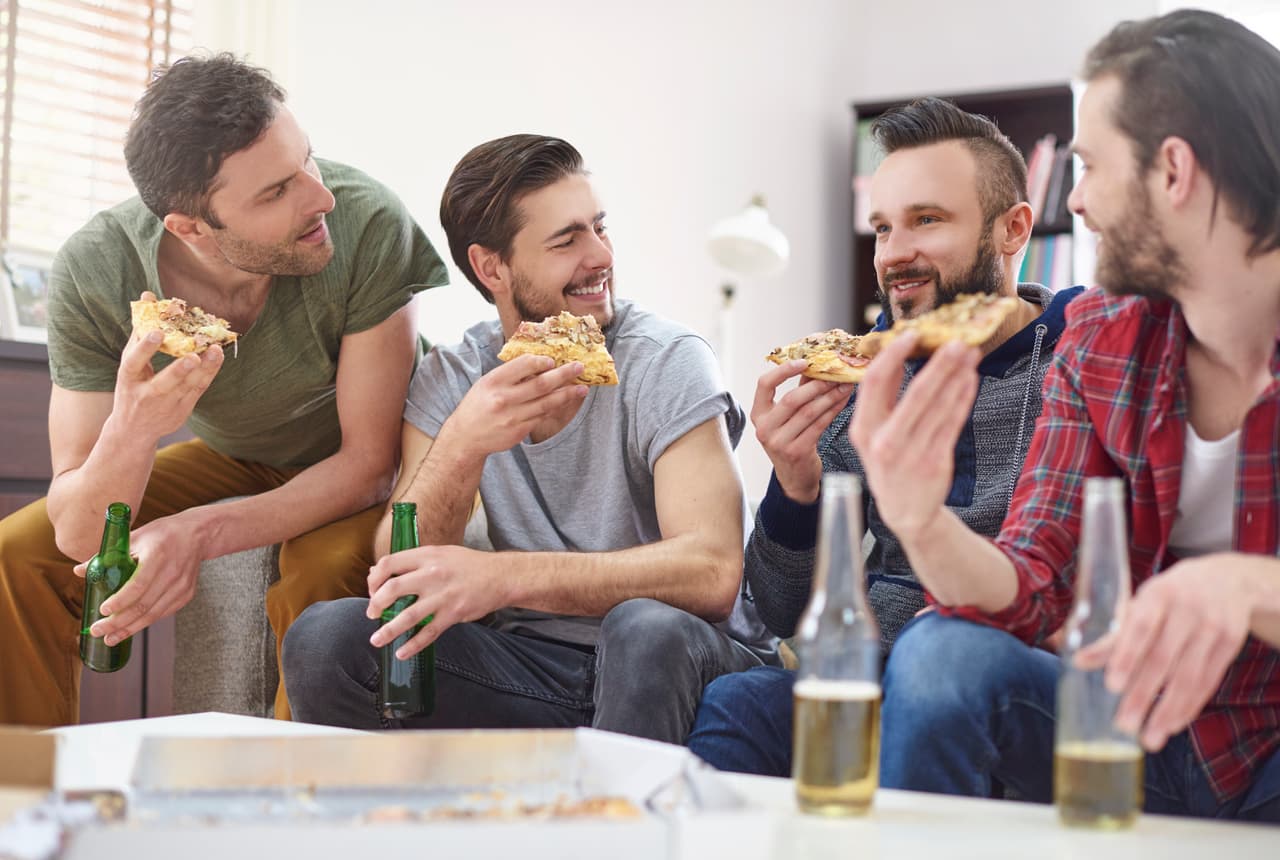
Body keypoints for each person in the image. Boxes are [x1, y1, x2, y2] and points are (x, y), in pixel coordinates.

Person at [852, 10, 1280, 823]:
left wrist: (1248, 587)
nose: (1073, 200)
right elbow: (1033, 585)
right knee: (940, 657)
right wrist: (919, 521)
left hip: (1268, 746)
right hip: (1120, 721)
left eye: (1086, 165)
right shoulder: (1103, 340)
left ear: (1174, 171)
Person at [0, 53, 449, 726]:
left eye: (309, 161)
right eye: (275, 193)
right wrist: (133, 430)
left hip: (376, 451)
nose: (319, 197)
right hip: (238, 454)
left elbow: (368, 466)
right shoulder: (96, 270)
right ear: (189, 228)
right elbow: (79, 531)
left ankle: (292, 807)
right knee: (18, 556)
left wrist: (196, 533)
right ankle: (22, 804)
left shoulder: (367, 223)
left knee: (322, 568)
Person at [282, 134, 776, 743]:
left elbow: (712, 571)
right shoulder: (454, 376)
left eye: (599, 228)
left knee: (644, 629)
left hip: (678, 661)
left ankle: (608, 836)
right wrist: (462, 442)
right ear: (492, 268)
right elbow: (399, 562)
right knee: (327, 638)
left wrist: (505, 578)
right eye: (567, 241)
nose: (600, 256)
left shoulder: (665, 361)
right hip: (537, 670)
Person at [685, 98, 1084, 774]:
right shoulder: (860, 372)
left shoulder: (1082, 347)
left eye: (927, 220)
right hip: (874, 671)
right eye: (882, 228)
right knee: (738, 704)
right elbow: (780, 612)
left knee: (937, 671)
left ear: (1014, 229)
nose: (896, 255)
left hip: (1013, 672)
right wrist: (795, 484)